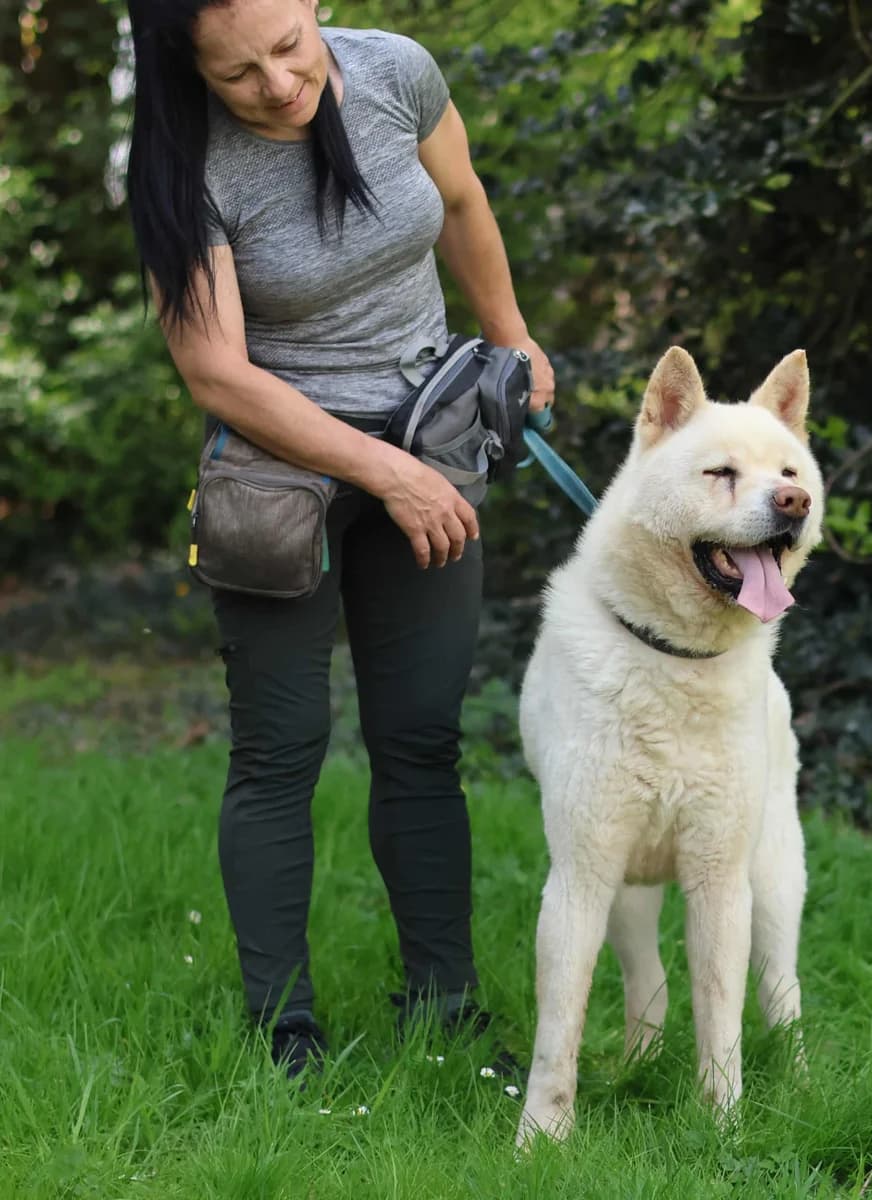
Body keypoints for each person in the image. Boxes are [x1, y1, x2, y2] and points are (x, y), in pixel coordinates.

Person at [125, 0, 554, 1080]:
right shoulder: (181, 168)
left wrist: (512, 339)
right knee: (281, 753)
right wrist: (383, 473)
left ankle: (444, 1009)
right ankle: (285, 1034)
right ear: (190, 70)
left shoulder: (399, 71)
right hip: (279, 475)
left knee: (420, 743)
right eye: (237, 75)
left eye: (288, 48)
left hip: (430, 434)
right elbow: (218, 371)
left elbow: (459, 198)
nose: (276, 84)